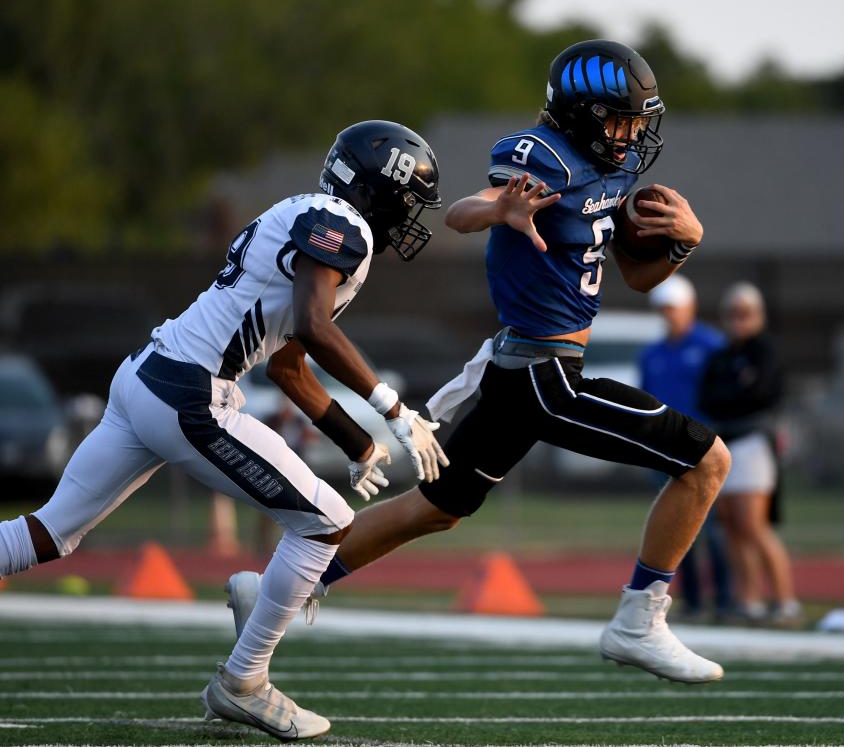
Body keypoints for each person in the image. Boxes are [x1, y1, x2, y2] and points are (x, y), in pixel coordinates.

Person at [229, 39, 730, 684]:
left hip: (522, 374)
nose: (632, 134)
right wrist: (503, 208)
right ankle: (639, 620)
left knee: (436, 506)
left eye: (638, 121)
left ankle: (271, 588)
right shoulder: (539, 157)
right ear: (580, 114)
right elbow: (463, 215)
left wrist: (683, 245)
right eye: (620, 120)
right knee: (707, 459)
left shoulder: (611, 170)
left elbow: (636, 277)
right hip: (543, 375)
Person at [0, 120, 449, 740]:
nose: (411, 215)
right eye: (410, 198)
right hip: (190, 393)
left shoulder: (307, 212)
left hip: (146, 376)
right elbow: (315, 329)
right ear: (384, 188)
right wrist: (394, 410)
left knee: (48, 535)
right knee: (327, 522)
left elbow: (288, 364)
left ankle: (252, 623)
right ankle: (243, 681)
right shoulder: (342, 224)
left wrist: (359, 441)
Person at [699, 282, 800, 626]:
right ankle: (748, 599)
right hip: (725, 443)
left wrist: (735, 394)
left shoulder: (765, 351)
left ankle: (786, 601)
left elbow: (760, 394)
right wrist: (736, 392)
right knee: (731, 526)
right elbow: (708, 397)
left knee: (753, 525)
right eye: (732, 313)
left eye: (744, 313)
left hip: (753, 442)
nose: (737, 320)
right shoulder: (721, 355)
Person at [641, 274, 731, 621]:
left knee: (714, 530)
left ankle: (724, 599)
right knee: (676, 527)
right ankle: (692, 601)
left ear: (689, 307)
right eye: (663, 309)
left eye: (673, 308)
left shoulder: (712, 347)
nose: (668, 315)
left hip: (705, 450)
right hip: (663, 450)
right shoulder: (653, 354)